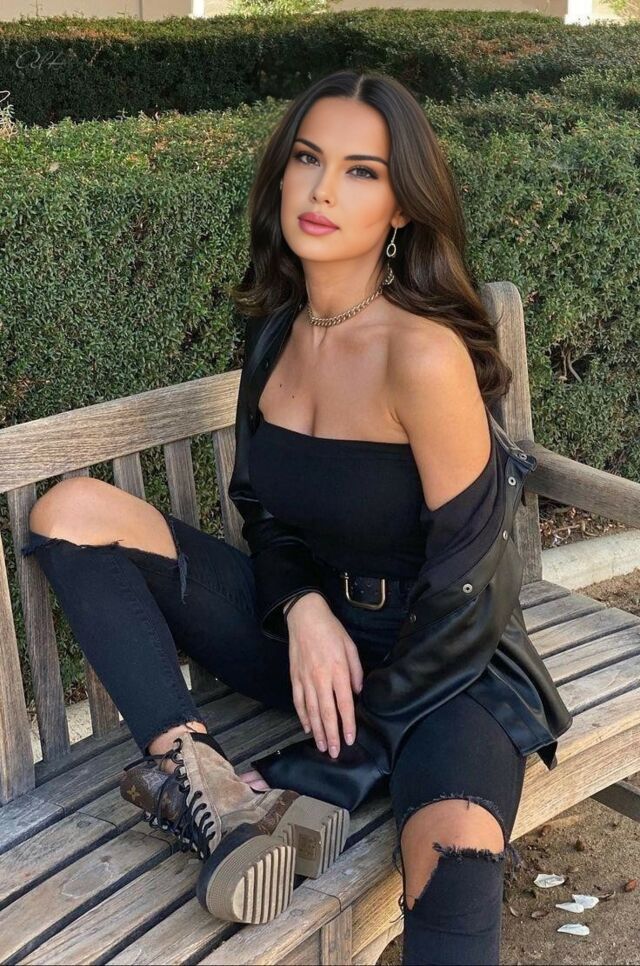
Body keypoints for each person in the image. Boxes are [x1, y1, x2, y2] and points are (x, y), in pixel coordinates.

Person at [21, 68, 573, 963]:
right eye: (309, 159)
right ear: (281, 174)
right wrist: (303, 608)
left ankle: (313, 789)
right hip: (313, 654)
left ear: (402, 208)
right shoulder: (277, 331)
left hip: (445, 662)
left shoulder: (423, 354)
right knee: (72, 508)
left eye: (361, 171)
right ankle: (200, 780)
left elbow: (473, 585)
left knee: (454, 863)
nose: (322, 190)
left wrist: (329, 767)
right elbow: (262, 511)